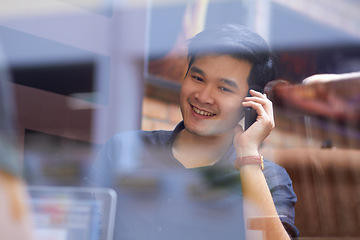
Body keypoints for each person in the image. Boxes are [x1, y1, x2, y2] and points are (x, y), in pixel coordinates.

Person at [88, 24, 299, 240]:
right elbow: (79, 224)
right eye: (198, 78)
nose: (203, 96)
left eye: (224, 88)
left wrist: (248, 155)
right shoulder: (125, 149)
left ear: (251, 102)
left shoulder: (268, 178)